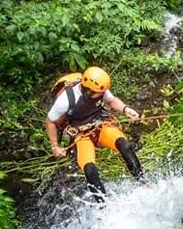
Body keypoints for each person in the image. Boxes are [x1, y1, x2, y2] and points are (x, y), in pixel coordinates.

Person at [45, 66, 145, 198]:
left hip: (100, 125)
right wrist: (55, 146)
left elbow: (111, 100)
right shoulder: (66, 99)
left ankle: (142, 182)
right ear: (88, 90)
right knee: (89, 168)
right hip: (80, 133)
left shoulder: (101, 90)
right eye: (98, 93)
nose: (102, 94)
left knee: (124, 144)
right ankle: (103, 205)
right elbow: (50, 121)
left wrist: (126, 109)